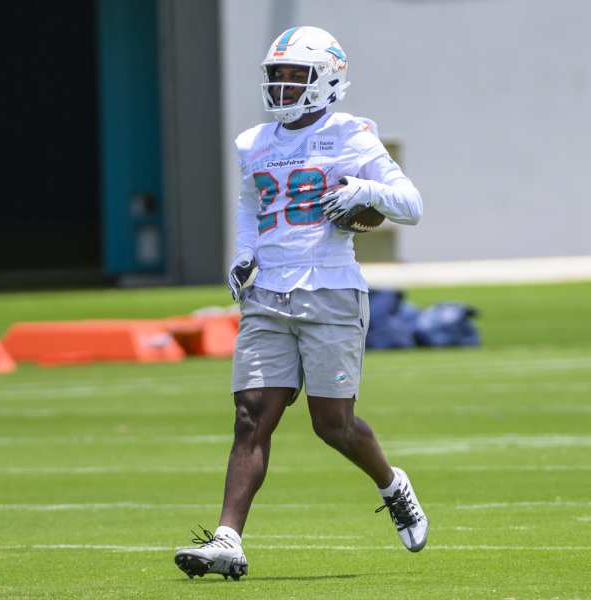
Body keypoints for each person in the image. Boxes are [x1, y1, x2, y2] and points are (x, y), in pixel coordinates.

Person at [174, 26, 427, 580]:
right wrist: (243, 255)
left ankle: (391, 484)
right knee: (250, 417)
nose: (284, 87)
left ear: (327, 80)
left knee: (331, 425)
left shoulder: (352, 135)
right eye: (277, 76)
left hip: (331, 289)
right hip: (267, 295)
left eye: (296, 76)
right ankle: (227, 540)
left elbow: (411, 204)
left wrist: (363, 191)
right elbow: (250, 203)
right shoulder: (253, 142)